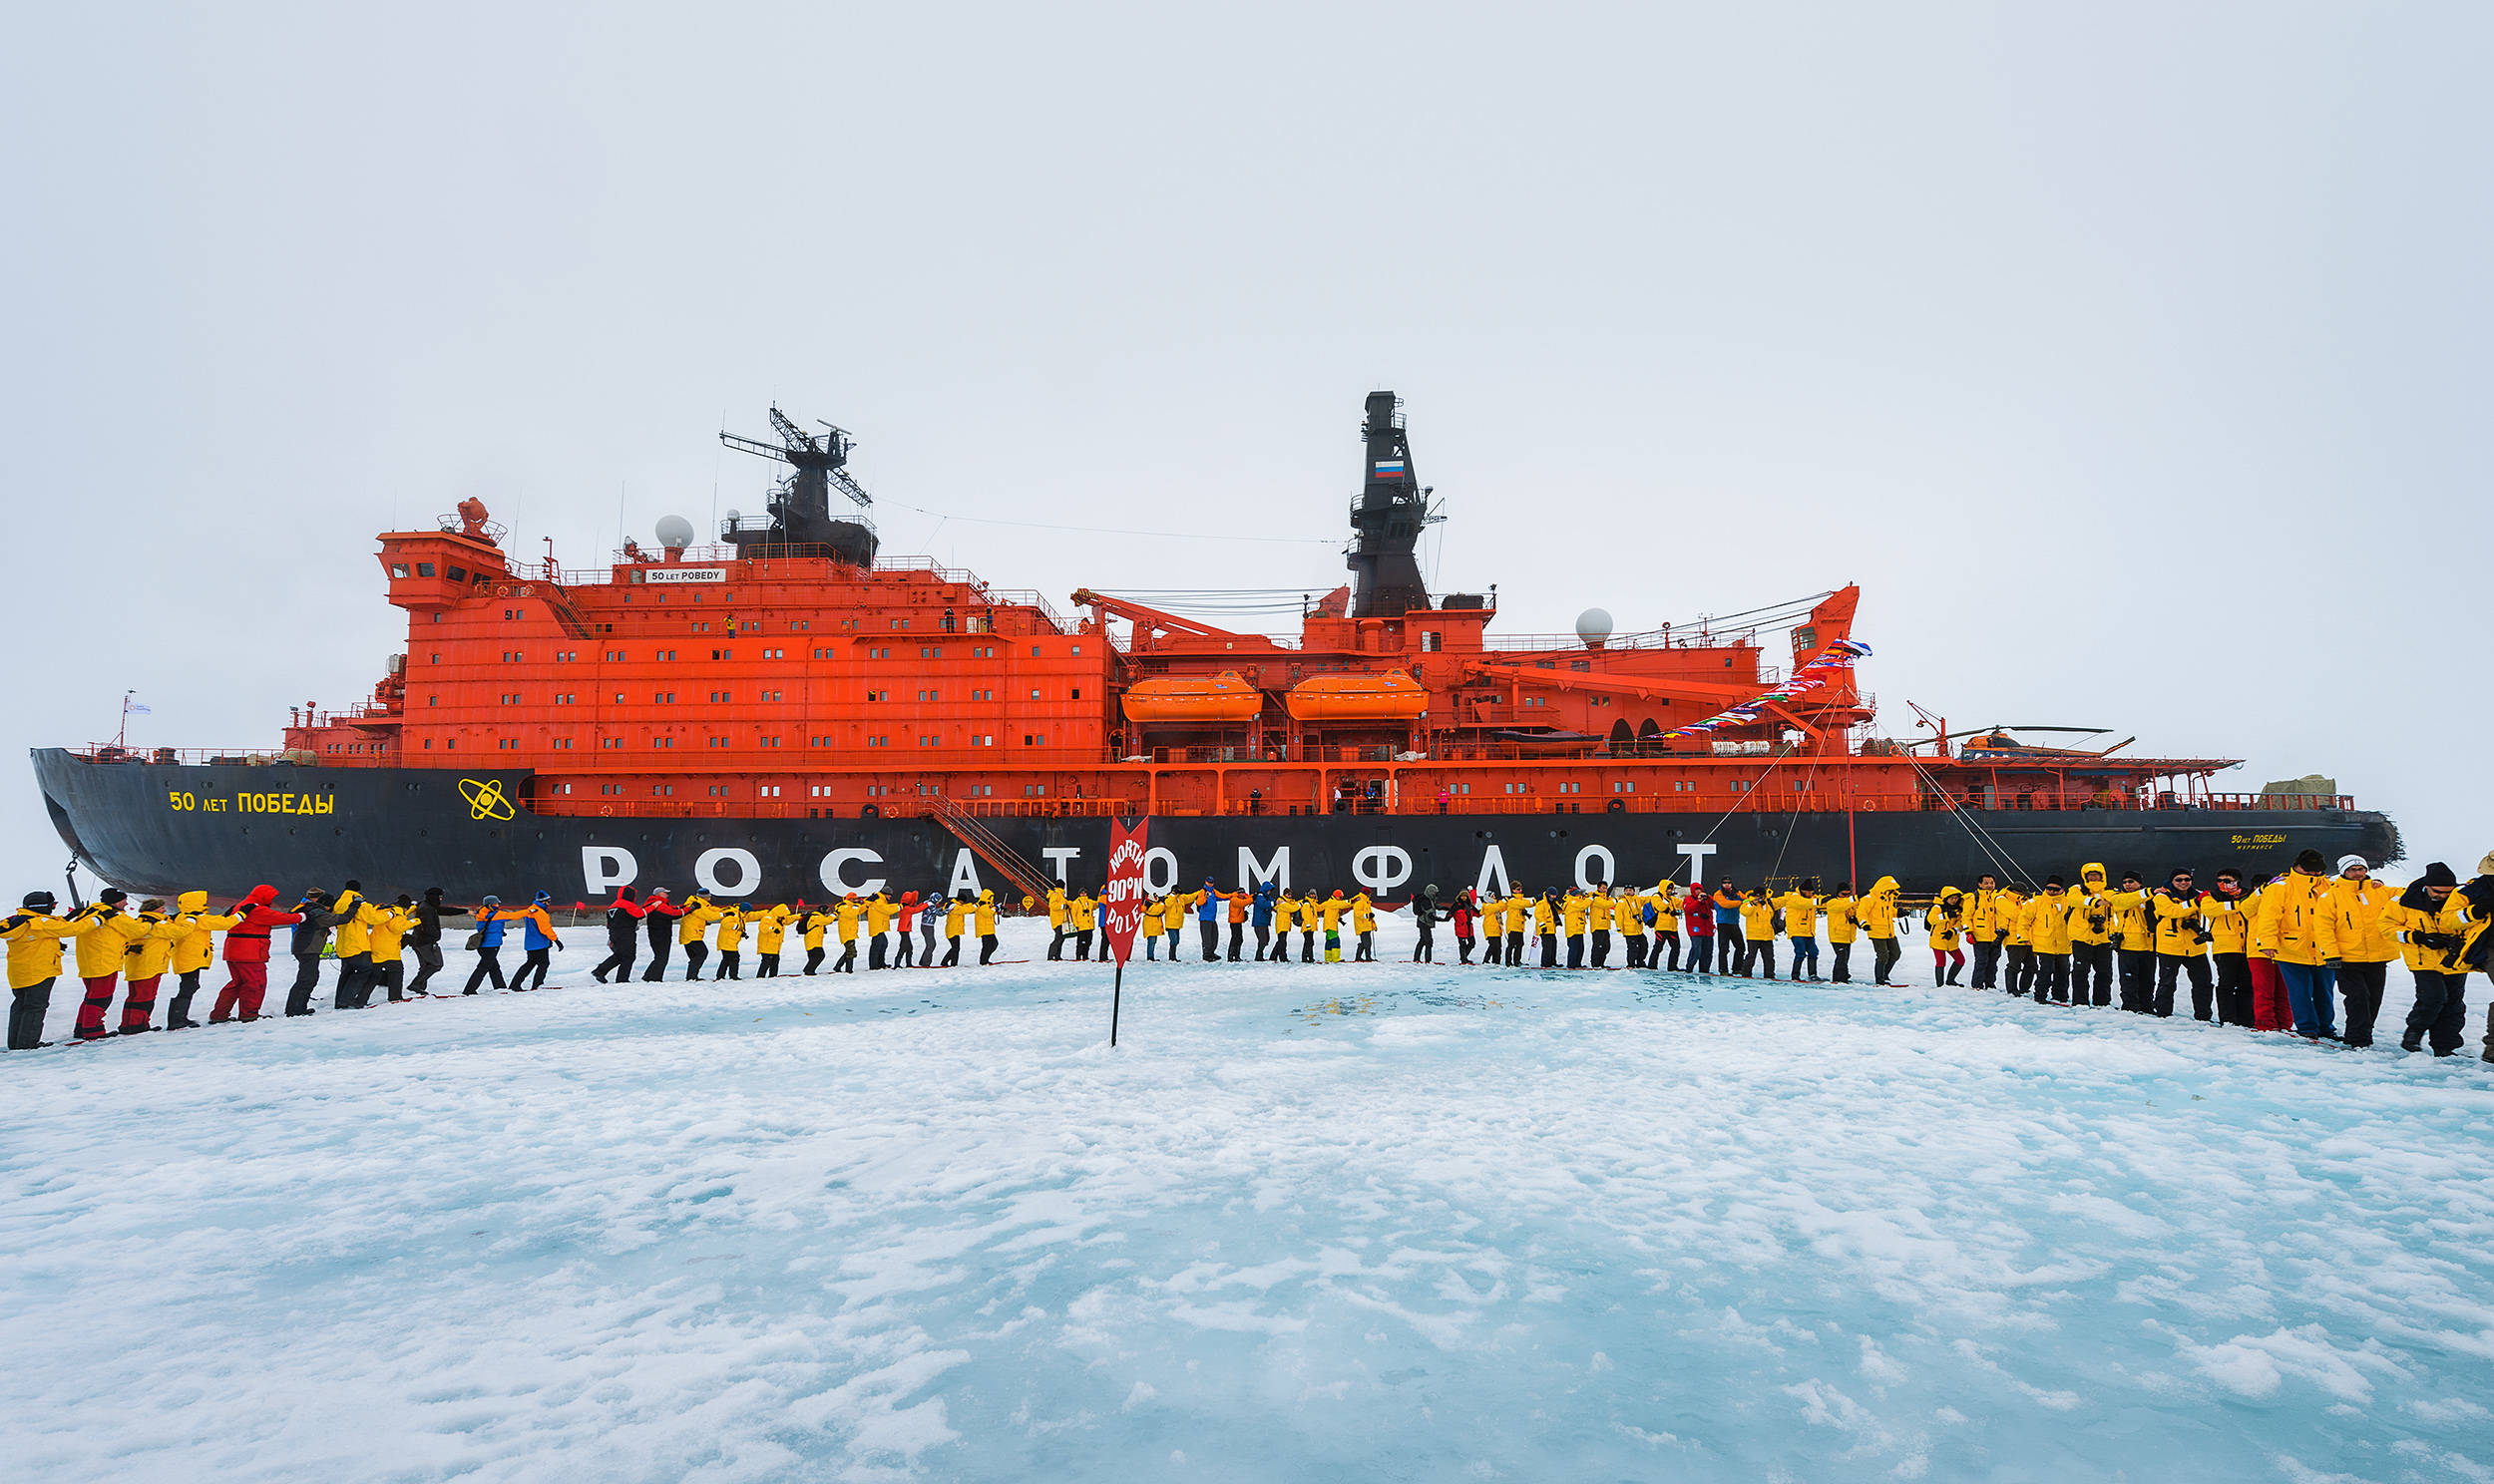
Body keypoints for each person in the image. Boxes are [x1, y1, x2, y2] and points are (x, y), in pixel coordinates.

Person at [2255, 849, 2340, 1039]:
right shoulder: (2280, 887)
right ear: (2298, 866)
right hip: (2291, 948)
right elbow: (2268, 917)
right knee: (2300, 992)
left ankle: (2326, 1027)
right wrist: (2268, 942)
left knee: (2325, 992)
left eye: (2317, 870)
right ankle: (2307, 1027)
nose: (2314, 874)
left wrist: (2374, 883)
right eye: (2310, 870)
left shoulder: (2330, 886)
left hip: (2324, 949)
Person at [2385, 862, 2469, 1055]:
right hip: (2423, 959)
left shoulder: (2461, 899)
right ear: (2427, 885)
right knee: (2433, 998)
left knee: (2454, 1005)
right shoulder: (2404, 900)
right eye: (2438, 892)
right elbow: (2386, 926)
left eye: (2448, 892)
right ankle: (2413, 1033)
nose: (2443, 896)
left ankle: (2445, 1047)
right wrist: (2416, 937)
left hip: (2455, 960)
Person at [2323, 855, 2397, 1048]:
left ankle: (2363, 1033)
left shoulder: (2381, 891)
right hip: (2347, 958)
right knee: (2358, 997)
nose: (2358, 873)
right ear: (2343, 872)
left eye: (2361, 869)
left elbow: (2411, 893)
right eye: (2352, 870)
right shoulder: (2332, 895)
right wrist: (2331, 955)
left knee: (2374, 999)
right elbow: (2324, 927)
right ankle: (2357, 1039)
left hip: (2377, 956)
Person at [5, 890, 83, 1049]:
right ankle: (28, 1043)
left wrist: (66, 918)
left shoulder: (19, 922)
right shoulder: (41, 924)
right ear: (41, 907)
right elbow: (74, 930)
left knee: (19, 1006)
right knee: (35, 1007)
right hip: (39, 973)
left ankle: (15, 1043)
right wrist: (98, 919)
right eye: (52, 905)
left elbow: (41, 934)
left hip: (19, 973)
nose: (53, 908)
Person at [70, 889, 152, 1040]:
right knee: (101, 998)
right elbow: (137, 931)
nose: (126, 903)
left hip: (88, 962)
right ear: (116, 901)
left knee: (90, 997)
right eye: (124, 900)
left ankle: (81, 1028)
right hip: (105, 962)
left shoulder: (90, 912)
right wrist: (149, 922)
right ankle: (93, 1030)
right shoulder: (114, 916)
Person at [209, 885, 300, 1022]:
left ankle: (219, 1014)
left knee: (237, 983)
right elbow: (281, 918)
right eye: (271, 897)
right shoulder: (256, 909)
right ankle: (249, 1014)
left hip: (233, 952)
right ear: (264, 896)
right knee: (256, 983)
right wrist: (302, 916)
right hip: (249, 953)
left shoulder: (240, 905)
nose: (272, 900)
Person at [164, 891, 239, 1028]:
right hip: (191, 959)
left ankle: (178, 1018)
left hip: (184, 958)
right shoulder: (199, 918)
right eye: (203, 903)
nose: (206, 904)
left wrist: (224, 915)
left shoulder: (182, 917)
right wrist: (241, 915)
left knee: (188, 986)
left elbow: (216, 920)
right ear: (195, 904)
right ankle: (177, 1020)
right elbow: (224, 924)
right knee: (188, 987)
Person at [2150, 871, 2213, 1019]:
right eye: (2178, 880)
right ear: (2171, 881)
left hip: (2194, 946)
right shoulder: (2162, 896)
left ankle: (2203, 1015)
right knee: (2167, 982)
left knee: (2204, 982)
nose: (2183, 882)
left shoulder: (2199, 894)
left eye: (2187, 879)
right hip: (2170, 946)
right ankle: (2163, 1013)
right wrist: (2196, 902)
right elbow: (2172, 911)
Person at [115, 898, 184, 1032]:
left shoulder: (138, 921)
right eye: (162, 908)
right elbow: (179, 932)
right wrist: (190, 920)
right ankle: (138, 1025)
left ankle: (127, 1024)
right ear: (155, 909)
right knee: (145, 997)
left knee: (133, 996)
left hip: (136, 965)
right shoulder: (157, 924)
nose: (164, 910)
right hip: (150, 965)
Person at [2241, 874, 2292, 1030]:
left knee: (2283, 991)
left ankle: (2285, 1024)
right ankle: (2265, 1024)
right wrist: (2263, 890)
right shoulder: (2251, 900)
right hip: (2258, 952)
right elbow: (2246, 909)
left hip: (2282, 950)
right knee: (2264, 990)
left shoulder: (2281, 898)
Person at [2205, 871, 2256, 1025]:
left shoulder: (2248, 895)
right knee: (2226, 984)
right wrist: (2238, 905)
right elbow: (2209, 910)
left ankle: (2246, 1019)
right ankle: (2227, 1019)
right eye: (2219, 880)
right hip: (2225, 947)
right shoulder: (2210, 897)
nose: (2223, 883)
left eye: (2227, 880)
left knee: (2246, 985)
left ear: (2237, 881)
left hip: (2247, 947)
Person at [2066, 866, 2117, 1008]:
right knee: (2080, 971)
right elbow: (2073, 899)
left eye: (2096, 875)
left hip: (2103, 938)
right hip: (2082, 937)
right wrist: (2095, 902)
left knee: (2104, 972)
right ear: (2085, 876)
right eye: (2090, 875)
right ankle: (2080, 1001)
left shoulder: (2109, 891)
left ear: (2102, 876)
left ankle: (2102, 1001)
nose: (2093, 878)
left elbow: (2118, 900)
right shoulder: (2077, 889)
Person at [285, 889, 341, 1016]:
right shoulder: (309, 909)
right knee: (307, 978)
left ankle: (298, 1007)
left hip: (305, 946)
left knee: (309, 977)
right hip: (307, 946)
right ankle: (295, 1009)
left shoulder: (307, 907)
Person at [2108, 871, 2156, 1012]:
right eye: (2125, 882)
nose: (2127, 885)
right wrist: (2148, 893)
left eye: (2131, 882)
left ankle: (2147, 1006)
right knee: (2128, 979)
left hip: (2148, 945)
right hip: (2128, 944)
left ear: (2139, 883)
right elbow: (2123, 902)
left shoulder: (2151, 898)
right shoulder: (2118, 897)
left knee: (2148, 980)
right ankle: (2130, 1006)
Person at [412, 887, 470, 995]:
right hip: (425, 942)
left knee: (426, 966)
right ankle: (415, 985)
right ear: (434, 897)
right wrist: (434, 938)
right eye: (440, 897)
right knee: (436, 965)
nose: (441, 899)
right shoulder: (427, 909)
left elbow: (445, 910)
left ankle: (419, 988)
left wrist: (465, 911)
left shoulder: (427, 906)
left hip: (419, 941)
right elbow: (428, 926)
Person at [2025, 877, 2073, 1004]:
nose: (2051, 891)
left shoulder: (2069, 902)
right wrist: (2024, 938)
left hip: (2064, 944)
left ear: (2062, 889)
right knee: (2046, 970)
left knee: (2063, 971)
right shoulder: (2036, 902)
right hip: (2044, 944)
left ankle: (2060, 995)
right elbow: (2024, 921)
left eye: (2055, 889)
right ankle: (2040, 994)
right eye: (2049, 888)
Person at [329, 881, 374, 1012]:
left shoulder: (339, 901)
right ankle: (347, 999)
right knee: (365, 970)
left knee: (346, 973)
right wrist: (390, 914)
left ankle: (339, 1002)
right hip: (356, 944)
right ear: (358, 890)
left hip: (343, 944)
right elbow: (372, 918)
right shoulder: (357, 901)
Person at [511, 893, 564, 990]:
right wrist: (556, 940)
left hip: (531, 942)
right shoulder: (540, 912)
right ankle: (537, 985)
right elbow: (545, 928)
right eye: (548, 901)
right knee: (543, 963)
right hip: (539, 943)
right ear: (543, 901)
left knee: (530, 963)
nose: (549, 903)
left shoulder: (531, 909)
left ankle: (515, 984)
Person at [595, 887, 646, 982]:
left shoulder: (613, 906)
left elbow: (610, 923)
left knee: (620, 955)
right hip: (625, 934)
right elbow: (640, 914)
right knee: (629, 956)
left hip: (614, 934)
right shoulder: (628, 905)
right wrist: (653, 906)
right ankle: (621, 979)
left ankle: (601, 971)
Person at [367, 896, 414, 1002]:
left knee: (374, 974)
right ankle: (395, 997)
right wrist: (416, 921)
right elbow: (397, 928)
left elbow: (400, 914)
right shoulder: (398, 914)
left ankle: (361, 999)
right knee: (396, 972)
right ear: (404, 907)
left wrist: (413, 908)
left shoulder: (385, 910)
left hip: (374, 946)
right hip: (389, 950)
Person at [1859, 877, 1903, 987]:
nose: (1893, 892)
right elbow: (1861, 912)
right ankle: (1880, 979)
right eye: (1891, 889)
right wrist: (1864, 923)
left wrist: (1898, 913)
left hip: (1889, 931)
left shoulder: (1888, 898)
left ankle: (1885, 974)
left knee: (1896, 953)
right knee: (1883, 955)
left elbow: (1889, 911)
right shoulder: (1869, 898)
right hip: (1876, 931)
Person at [464, 896, 513, 994]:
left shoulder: (481, 913)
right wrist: (529, 912)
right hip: (491, 945)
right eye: (496, 903)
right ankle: (469, 990)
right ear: (490, 905)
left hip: (483, 945)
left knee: (494, 967)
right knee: (483, 968)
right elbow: (513, 916)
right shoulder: (496, 915)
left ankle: (500, 986)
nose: (498, 905)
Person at [1778, 881, 1823, 982]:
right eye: (1809, 892)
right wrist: (1820, 901)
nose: (1811, 894)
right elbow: (1804, 904)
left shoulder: (1811, 898)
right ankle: (1795, 975)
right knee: (1800, 953)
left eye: (1812, 892)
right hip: (1796, 931)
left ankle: (1813, 974)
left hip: (1808, 932)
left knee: (1813, 952)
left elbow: (1817, 902)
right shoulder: (1794, 897)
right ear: (1803, 891)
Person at [1966, 875, 2003, 989]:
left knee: (1993, 963)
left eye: (1992, 883)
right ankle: (1977, 985)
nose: (1989, 885)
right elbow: (1966, 916)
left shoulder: (1999, 897)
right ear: (1980, 884)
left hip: (1996, 936)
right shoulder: (1973, 898)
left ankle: (1990, 984)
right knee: (1981, 962)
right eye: (1986, 883)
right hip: (1980, 936)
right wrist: (1968, 931)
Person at [638, 888, 683, 981]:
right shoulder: (658, 903)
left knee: (659, 956)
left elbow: (671, 909)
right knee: (662, 957)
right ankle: (655, 978)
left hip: (657, 933)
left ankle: (648, 976)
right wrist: (689, 909)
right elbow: (673, 914)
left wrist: (684, 907)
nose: (667, 894)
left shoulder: (657, 902)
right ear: (659, 894)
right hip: (661, 934)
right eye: (665, 893)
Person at [1997, 883, 2033, 996]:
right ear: (2015, 892)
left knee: (2032, 965)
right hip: (2013, 937)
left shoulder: (2025, 899)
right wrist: (2032, 915)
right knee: (2014, 964)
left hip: (2028, 936)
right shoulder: (2002, 899)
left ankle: (2024, 989)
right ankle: (2012, 989)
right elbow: (2017, 915)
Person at [1926, 888, 1965, 985]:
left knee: (1960, 960)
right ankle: (1940, 985)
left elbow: (1961, 924)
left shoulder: (1959, 910)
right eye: (1951, 898)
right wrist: (1946, 915)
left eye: (1956, 898)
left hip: (1952, 939)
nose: (1954, 900)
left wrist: (1952, 931)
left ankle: (1950, 981)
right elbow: (1932, 919)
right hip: (1938, 939)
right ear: (1945, 898)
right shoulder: (1937, 908)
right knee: (1941, 962)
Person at [1739, 889, 1778, 979]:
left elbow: (1782, 901)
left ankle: (1769, 975)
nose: (1760, 898)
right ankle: (1746, 973)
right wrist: (1753, 903)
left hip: (1767, 936)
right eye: (1758, 896)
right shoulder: (1748, 903)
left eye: (1762, 896)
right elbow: (1744, 911)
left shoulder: (1769, 903)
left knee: (1769, 958)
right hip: (1753, 936)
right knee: (1751, 956)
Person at [1824, 883, 1858, 983]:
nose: (1846, 896)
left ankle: (1842, 976)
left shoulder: (1850, 903)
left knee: (1844, 958)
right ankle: (1839, 977)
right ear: (1838, 893)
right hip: (1837, 935)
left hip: (1848, 935)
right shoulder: (1833, 902)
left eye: (1848, 894)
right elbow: (1842, 906)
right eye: (1843, 894)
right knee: (1841, 957)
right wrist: (1855, 898)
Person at [1712, 883, 1746, 976]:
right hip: (1723, 923)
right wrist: (1740, 902)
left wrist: (1752, 895)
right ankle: (1723, 970)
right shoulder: (1718, 894)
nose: (1727, 885)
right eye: (1725, 883)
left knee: (1741, 947)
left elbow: (1746, 898)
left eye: (1729, 883)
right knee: (1724, 948)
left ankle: (1737, 968)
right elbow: (1726, 904)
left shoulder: (1737, 892)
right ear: (1722, 884)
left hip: (1734, 923)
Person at [1682, 884, 1713, 973]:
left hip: (1707, 929)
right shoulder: (1688, 899)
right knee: (1696, 950)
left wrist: (1708, 897)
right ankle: (1689, 968)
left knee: (1707, 952)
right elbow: (1688, 910)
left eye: (1700, 889)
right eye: (1696, 890)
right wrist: (1698, 901)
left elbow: (1714, 905)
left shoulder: (1706, 900)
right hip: (1695, 930)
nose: (1698, 891)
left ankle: (1704, 970)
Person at [711, 903, 748, 980]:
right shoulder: (733, 914)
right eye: (747, 911)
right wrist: (736, 927)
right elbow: (725, 923)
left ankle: (720, 976)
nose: (747, 913)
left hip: (729, 941)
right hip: (727, 942)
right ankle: (733, 976)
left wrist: (741, 933)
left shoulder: (739, 915)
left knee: (726, 959)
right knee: (735, 958)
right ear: (744, 910)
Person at [1651, 885, 1683, 972]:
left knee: (1676, 947)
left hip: (1672, 927)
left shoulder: (1672, 898)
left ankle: (1672, 967)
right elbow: (1660, 907)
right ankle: (1652, 966)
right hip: (1661, 927)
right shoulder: (1656, 896)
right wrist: (1666, 899)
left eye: (1671, 889)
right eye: (1668, 888)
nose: (1670, 890)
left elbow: (1681, 904)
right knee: (1658, 947)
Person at [753, 903, 790, 976]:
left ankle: (773, 977)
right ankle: (760, 977)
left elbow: (789, 919)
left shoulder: (780, 918)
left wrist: (799, 916)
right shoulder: (768, 918)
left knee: (775, 962)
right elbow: (763, 928)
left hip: (775, 947)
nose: (784, 917)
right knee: (766, 962)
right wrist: (773, 929)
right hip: (766, 946)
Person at [833, 894, 864, 973]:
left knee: (849, 951)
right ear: (850, 899)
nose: (857, 900)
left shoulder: (852, 906)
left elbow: (859, 911)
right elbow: (852, 914)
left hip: (850, 932)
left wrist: (867, 903)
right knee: (851, 952)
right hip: (847, 933)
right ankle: (848, 969)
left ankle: (838, 966)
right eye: (855, 899)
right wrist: (857, 905)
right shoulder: (844, 907)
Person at [1412, 884, 1441, 962]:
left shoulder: (1428, 899)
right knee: (1428, 941)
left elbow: (1436, 907)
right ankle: (1428, 960)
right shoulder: (1426, 901)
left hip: (1422, 922)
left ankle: (1416, 958)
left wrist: (1447, 909)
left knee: (1422, 941)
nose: (1436, 895)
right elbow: (1430, 915)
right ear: (1431, 892)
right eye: (1435, 893)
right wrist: (1441, 919)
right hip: (1424, 923)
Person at [801, 904, 834, 972]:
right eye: (827, 911)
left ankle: (810, 971)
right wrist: (834, 914)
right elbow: (828, 921)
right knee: (820, 956)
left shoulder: (816, 917)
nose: (828, 913)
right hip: (813, 941)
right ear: (822, 910)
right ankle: (808, 970)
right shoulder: (816, 917)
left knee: (813, 957)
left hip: (813, 941)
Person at [1253, 882, 1282, 961]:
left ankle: (1259, 956)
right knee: (1263, 940)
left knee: (1266, 940)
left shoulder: (1267, 896)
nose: (1270, 891)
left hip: (1264, 922)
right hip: (1259, 922)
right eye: (1269, 890)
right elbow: (1265, 904)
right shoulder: (1260, 896)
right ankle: (1258, 957)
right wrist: (1275, 903)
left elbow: (1273, 903)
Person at [1195, 879, 1222, 961]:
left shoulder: (1213, 892)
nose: (1210, 884)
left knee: (1215, 936)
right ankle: (1206, 954)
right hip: (1205, 919)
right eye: (1209, 882)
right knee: (1207, 938)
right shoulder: (1202, 891)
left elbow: (1222, 896)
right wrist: (1205, 897)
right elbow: (1198, 903)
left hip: (1212, 918)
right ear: (1205, 882)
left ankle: (1211, 952)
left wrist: (1232, 895)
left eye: (1212, 882)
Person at [1069, 890, 1099, 961]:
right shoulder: (1076, 902)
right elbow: (1073, 914)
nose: (1083, 894)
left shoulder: (1090, 902)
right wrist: (1076, 924)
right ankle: (1078, 956)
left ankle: (1085, 955)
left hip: (1089, 926)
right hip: (1081, 926)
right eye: (1082, 893)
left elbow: (1098, 904)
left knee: (1089, 941)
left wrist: (1101, 896)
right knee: (1081, 942)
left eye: (1085, 892)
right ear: (1079, 894)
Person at [943, 892, 971, 966]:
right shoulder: (955, 907)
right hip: (952, 930)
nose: (964, 903)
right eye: (963, 901)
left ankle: (945, 962)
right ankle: (953, 964)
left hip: (952, 930)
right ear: (960, 900)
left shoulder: (954, 905)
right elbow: (964, 910)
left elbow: (964, 907)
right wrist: (975, 906)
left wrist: (971, 905)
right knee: (956, 948)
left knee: (955, 947)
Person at [1321, 890, 1350, 963]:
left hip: (1328, 925)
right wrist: (1352, 901)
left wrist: (1339, 919)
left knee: (1329, 942)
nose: (1341, 899)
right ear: (1336, 897)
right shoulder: (1333, 902)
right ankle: (1336, 958)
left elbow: (1320, 907)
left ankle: (1328, 958)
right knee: (1335, 941)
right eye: (1340, 897)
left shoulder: (1329, 902)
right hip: (1331, 925)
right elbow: (1343, 904)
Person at [1533, 889, 1558, 968]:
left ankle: (1552, 962)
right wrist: (1542, 925)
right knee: (1547, 946)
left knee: (1553, 944)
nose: (1554, 897)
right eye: (1552, 895)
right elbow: (1538, 915)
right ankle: (1545, 963)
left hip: (1551, 929)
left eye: (1555, 895)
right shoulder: (1542, 903)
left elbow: (1557, 912)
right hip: (1545, 929)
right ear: (1548, 894)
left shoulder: (1551, 903)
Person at [975, 889, 1000, 964]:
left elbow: (990, 914)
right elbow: (988, 914)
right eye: (990, 897)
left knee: (994, 944)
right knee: (987, 947)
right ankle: (983, 961)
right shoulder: (982, 905)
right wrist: (995, 908)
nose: (991, 898)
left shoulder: (987, 905)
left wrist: (996, 909)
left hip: (989, 929)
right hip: (984, 929)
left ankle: (985, 959)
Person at [1353, 892, 1379, 961]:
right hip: (1362, 926)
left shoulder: (1366, 901)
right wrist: (1367, 915)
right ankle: (1367, 957)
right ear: (1366, 893)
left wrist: (1373, 926)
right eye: (1369, 893)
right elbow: (1357, 913)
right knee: (1367, 943)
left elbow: (1369, 915)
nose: (1370, 895)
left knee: (1365, 943)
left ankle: (1358, 957)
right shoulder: (1360, 901)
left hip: (1366, 926)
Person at [1045, 885, 1069, 960]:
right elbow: (1052, 905)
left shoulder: (1061, 894)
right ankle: (1051, 955)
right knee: (1058, 939)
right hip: (1058, 920)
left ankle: (1057, 955)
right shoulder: (1056, 894)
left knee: (1061, 939)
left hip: (1061, 920)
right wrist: (1063, 906)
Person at [1226, 887, 1249, 960]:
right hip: (1234, 922)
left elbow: (1246, 899)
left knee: (1239, 939)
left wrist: (1252, 896)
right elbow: (1242, 903)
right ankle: (1231, 956)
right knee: (1235, 939)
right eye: (1241, 893)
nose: (1243, 894)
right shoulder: (1234, 899)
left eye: (1243, 892)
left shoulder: (1241, 898)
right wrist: (1252, 898)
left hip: (1238, 922)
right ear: (1238, 893)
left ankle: (1236, 956)